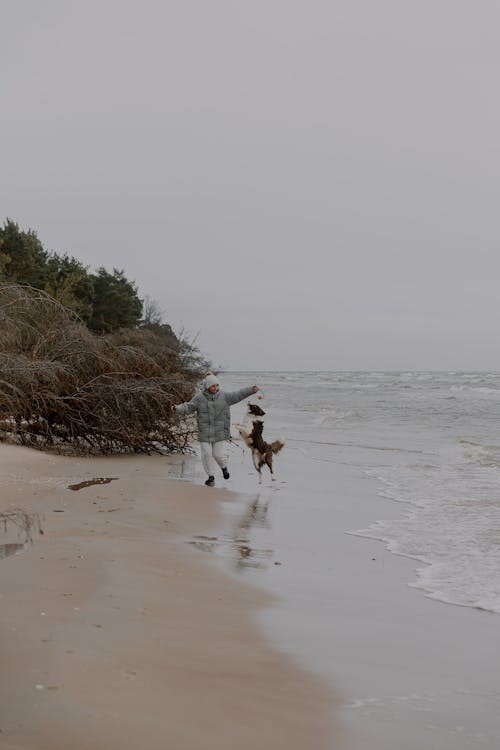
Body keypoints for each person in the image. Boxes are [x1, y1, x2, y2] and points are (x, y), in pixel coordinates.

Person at [171, 374, 259, 486]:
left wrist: (251, 390)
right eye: (213, 386)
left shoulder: (224, 396)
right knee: (206, 453)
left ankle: (224, 467)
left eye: (217, 385)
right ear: (207, 386)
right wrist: (177, 408)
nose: (215, 388)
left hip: (219, 431)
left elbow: (239, 394)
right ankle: (211, 476)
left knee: (217, 454)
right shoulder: (199, 398)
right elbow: (188, 406)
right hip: (205, 431)